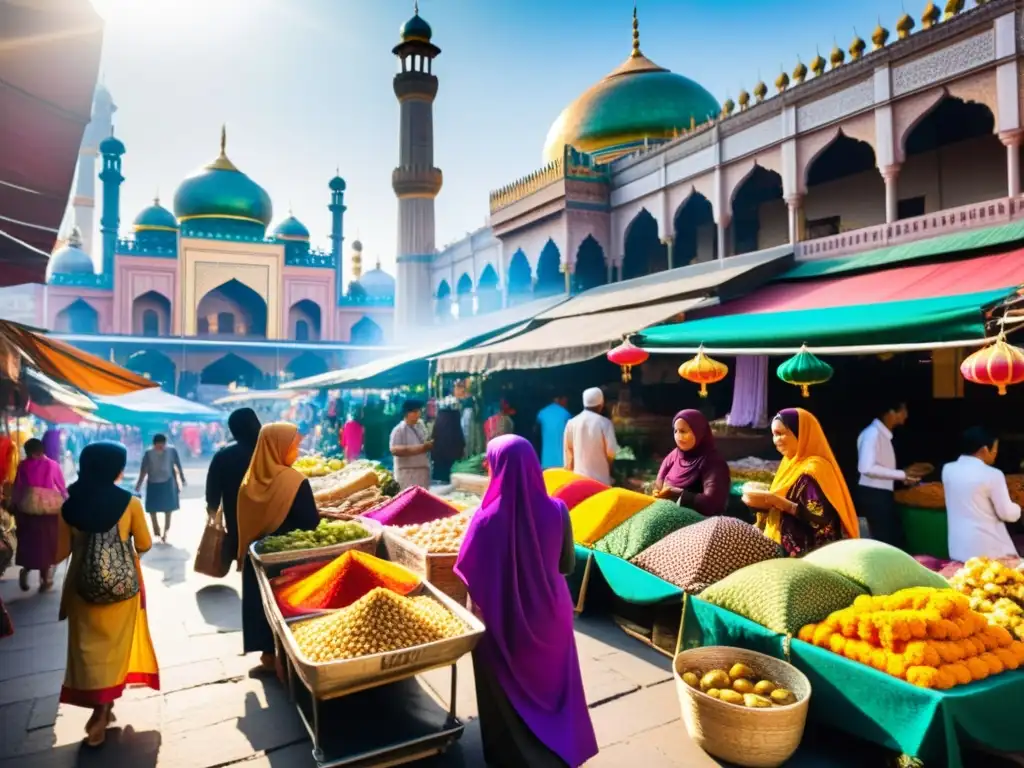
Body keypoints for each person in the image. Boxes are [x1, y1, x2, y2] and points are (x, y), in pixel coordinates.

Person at [455, 435, 598, 768]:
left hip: (505, 622)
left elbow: (468, 572)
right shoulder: (558, 510)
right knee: (555, 690)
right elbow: (566, 565)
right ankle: (562, 750)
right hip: (551, 617)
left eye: (490, 462)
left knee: (505, 690)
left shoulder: (485, 520)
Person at [57, 442, 159, 747]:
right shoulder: (129, 503)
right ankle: (103, 708)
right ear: (116, 468)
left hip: (81, 590)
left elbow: (60, 552)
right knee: (113, 649)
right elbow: (144, 543)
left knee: (88, 650)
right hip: (121, 591)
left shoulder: (69, 504)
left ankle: (99, 708)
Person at [236, 422, 319, 670]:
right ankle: (291, 659)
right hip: (290, 559)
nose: (297, 452)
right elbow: (310, 522)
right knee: (290, 608)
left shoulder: (249, 482)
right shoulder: (294, 481)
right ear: (279, 448)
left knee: (259, 604)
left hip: (258, 555)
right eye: (294, 446)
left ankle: (267, 656)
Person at [746, 408, 859, 557]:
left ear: (801, 434)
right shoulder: (789, 464)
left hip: (812, 556)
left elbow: (821, 518)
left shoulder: (814, 469)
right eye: (774, 435)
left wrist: (780, 503)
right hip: (785, 550)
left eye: (781, 434)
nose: (776, 441)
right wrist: (760, 505)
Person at [943, 427, 1021, 562]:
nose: (996, 453)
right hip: (988, 551)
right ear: (984, 449)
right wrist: (1018, 507)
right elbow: (1007, 514)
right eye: (995, 449)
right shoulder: (993, 474)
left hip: (957, 549)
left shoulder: (947, 470)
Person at [857, 399, 918, 548]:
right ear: (891, 413)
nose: (906, 415)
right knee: (884, 543)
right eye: (903, 410)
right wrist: (901, 474)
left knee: (890, 541)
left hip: (881, 494)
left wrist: (903, 477)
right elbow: (866, 468)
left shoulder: (881, 434)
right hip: (874, 496)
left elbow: (881, 469)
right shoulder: (873, 434)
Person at [205, 408, 262, 570]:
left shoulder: (224, 455)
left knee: (244, 554)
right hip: (268, 516)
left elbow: (213, 488)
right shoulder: (269, 452)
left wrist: (212, 509)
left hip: (236, 516)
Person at [11, 438, 67, 592]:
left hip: (27, 510)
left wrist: (14, 504)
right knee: (47, 545)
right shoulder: (52, 465)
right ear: (41, 451)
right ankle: (45, 580)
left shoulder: (23, 465)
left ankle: (28, 570)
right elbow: (61, 486)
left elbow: (18, 487)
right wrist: (66, 500)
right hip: (48, 511)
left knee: (30, 544)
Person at [653, 409, 730, 516]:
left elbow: (713, 504)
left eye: (683, 431)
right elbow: (660, 481)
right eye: (676, 431)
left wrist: (677, 494)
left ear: (699, 432)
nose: (679, 437)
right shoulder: (674, 455)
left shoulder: (713, 462)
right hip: (665, 511)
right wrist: (658, 491)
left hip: (697, 522)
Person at [564, 387, 619, 486]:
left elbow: (568, 455)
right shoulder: (605, 423)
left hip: (578, 480)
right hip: (601, 481)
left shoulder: (571, 423)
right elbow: (611, 452)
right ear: (601, 404)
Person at [136, 434, 185, 543]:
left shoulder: (172, 451)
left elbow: (178, 465)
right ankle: (156, 528)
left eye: (162, 445)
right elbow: (143, 470)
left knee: (169, 509)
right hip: (153, 483)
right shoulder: (148, 454)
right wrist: (138, 485)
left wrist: (182, 478)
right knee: (152, 509)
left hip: (168, 483)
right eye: (158, 445)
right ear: (154, 445)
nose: (161, 447)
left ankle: (165, 532)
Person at [390, 400, 433, 490]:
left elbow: (426, 440)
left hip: (422, 472)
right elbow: (394, 450)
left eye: (419, 411)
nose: (418, 414)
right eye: (414, 412)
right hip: (406, 474)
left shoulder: (420, 426)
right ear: (406, 413)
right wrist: (421, 448)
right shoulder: (399, 430)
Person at [536, 395, 572, 471]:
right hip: (562, 462)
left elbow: (537, 431)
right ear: (558, 399)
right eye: (565, 401)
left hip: (546, 461)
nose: (566, 404)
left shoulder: (542, 413)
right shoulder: (566, 414)